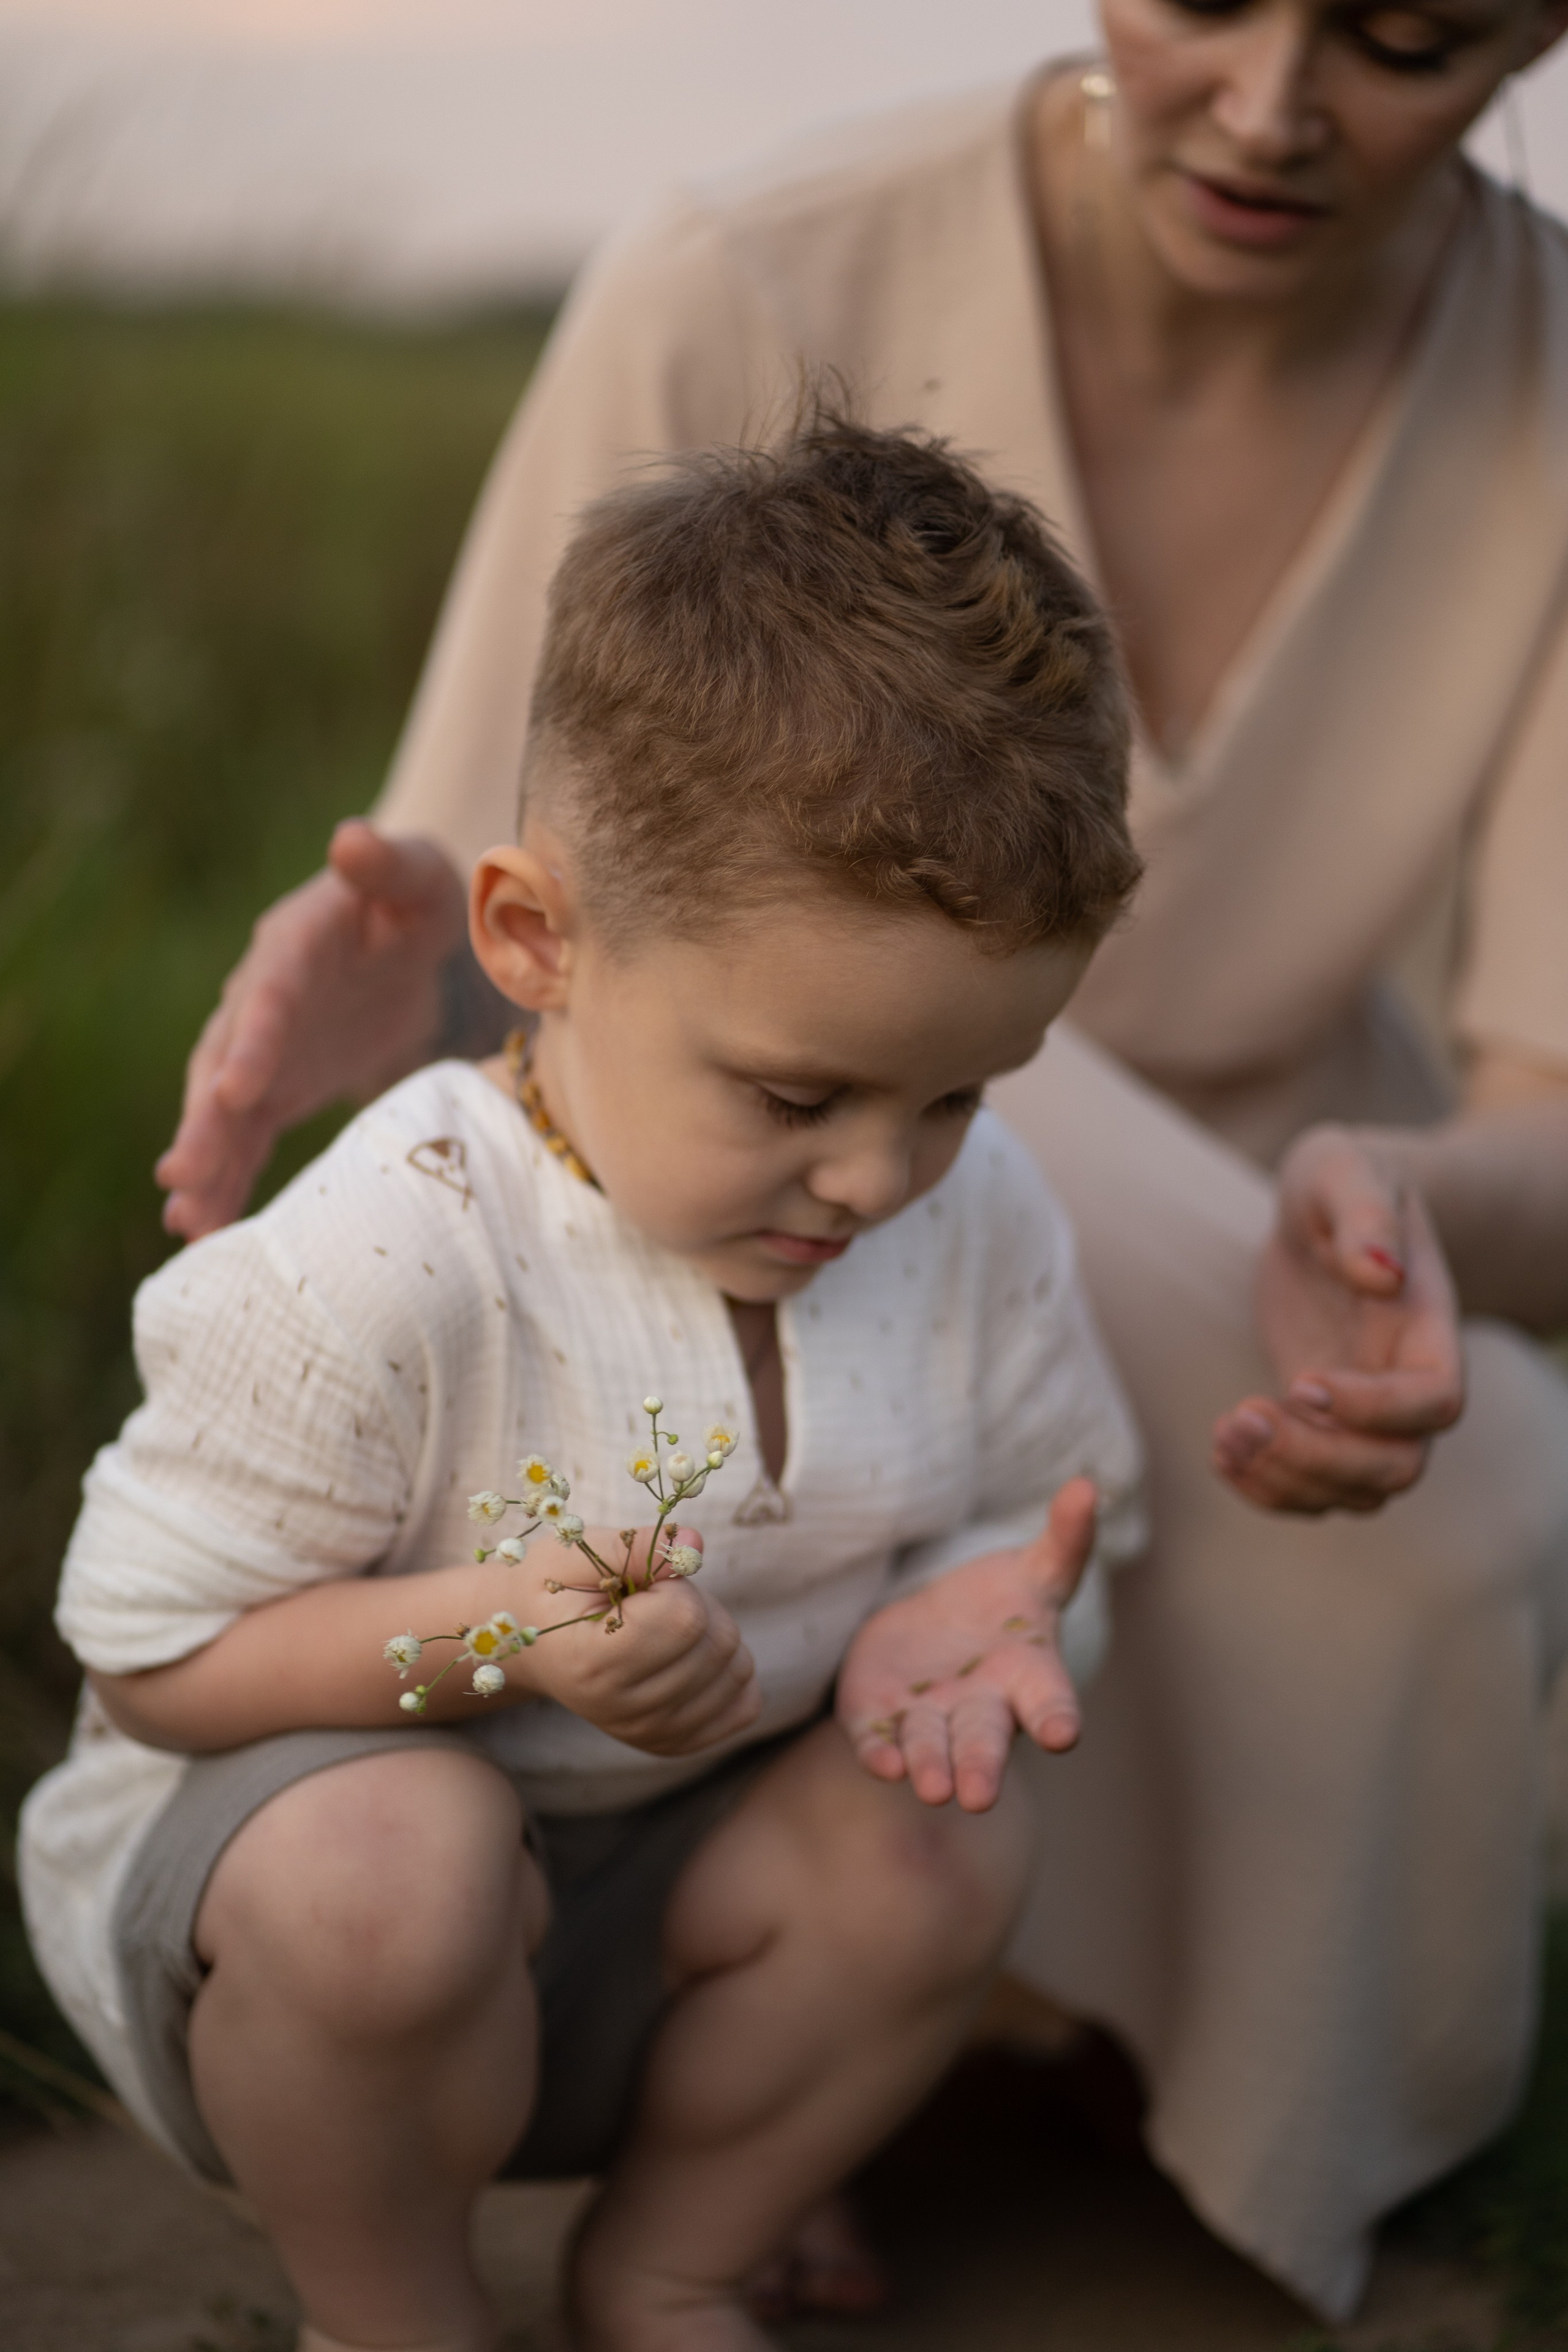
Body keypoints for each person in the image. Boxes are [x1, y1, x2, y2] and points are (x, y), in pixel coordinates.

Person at [149, 0, 1568, 2320]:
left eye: (1410, 35)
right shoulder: (747, 267)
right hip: (769, 1112)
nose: (1273, 106)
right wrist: (402, 953)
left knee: (1454, 1510)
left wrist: (1412, 1213)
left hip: (1281, 1162)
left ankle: (980, 2063)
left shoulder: (1548, 390)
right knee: (777, 1419)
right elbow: (541, 877)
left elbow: (1543, 1108)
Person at [19, 418, 1147, 2352]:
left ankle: (672, 2262)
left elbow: (1053, 1519)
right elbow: (152, 1656)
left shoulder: (977, 1228)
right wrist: (501, 1637)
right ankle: (393, 2312)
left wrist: (981, 1602)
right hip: (307, 1927)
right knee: (389, 1871)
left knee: (943, 1839)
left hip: (671, 1883)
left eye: (959, 1093)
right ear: (538, 941)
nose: (879, 1178)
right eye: (796, 1096)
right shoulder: (394, 1257)